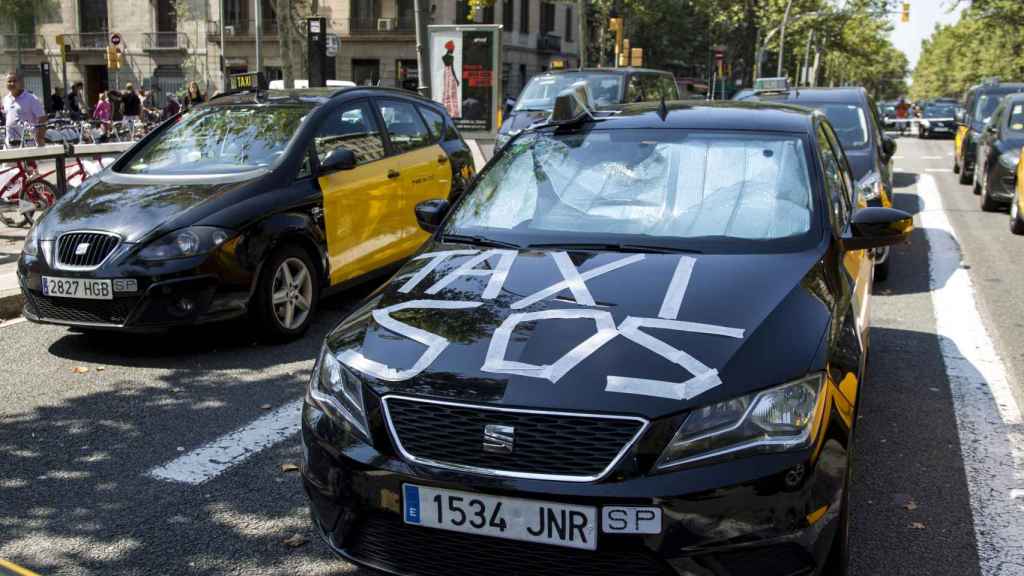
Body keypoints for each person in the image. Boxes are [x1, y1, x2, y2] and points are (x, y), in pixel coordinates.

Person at [2, 71, 47, 146]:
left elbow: (42, 118)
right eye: (9, 81)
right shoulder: (6, 99)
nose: (12, 84)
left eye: (14, 81)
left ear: (20, 83)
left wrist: (40, 137)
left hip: (28, 141)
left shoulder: (31, 98)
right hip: (10, 142)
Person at [440, 40, 460, 118]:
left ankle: (446, 109)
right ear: (450, 49)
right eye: (453, 48)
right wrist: (456, 79)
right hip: (450, 74)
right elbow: (452, 69)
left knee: (446, 91)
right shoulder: (451, 57)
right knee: (452, 93)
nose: (453, 50)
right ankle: (452, 112)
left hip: (446, 74)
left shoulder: (443, 57)